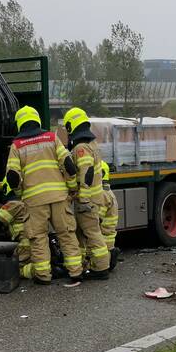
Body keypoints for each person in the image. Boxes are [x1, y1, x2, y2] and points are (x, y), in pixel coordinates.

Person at [5, 105, 83, 285]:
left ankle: (43, 275)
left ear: (20, 123)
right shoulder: (51, 138)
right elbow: (69, 165)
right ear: (37, 119)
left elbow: (12, 177)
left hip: (34, 201)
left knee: (38, 237)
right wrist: (71, 188)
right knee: (66, 234)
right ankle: (76, 271)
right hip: (58, 196)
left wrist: (20, 193)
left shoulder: (16, 146)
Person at [63, 107, 110, 279]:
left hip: (88, 200)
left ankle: (101, 268)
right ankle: (88, 265)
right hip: (94, 198)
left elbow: (86, 173)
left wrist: (82, 198)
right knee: (83, 234)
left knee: (92, 233)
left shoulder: (81, 148)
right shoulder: (91, 144)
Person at [98, 160, 120, 270]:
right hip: (109, 231)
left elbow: (98, 217)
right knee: (108, 247)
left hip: (104, 231)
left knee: (101, 250)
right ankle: (112, 255)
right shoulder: (108, 191)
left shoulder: (102, 194)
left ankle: (107, 264)